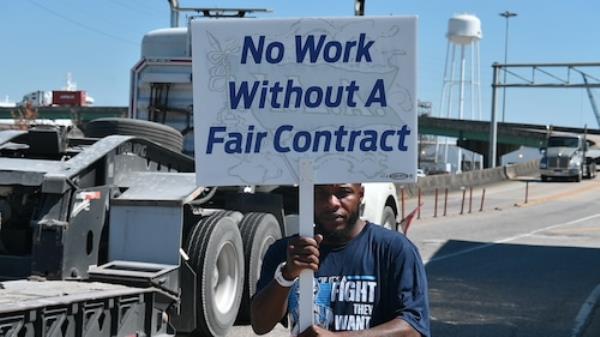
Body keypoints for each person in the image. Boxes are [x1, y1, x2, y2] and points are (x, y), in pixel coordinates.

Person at [251, 183, 430, 337]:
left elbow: (413, 329)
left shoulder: (394, 249)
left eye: (343, 193)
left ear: (361, 194)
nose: (331, 203)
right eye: (321, 193)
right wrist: (286, 276)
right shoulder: (288, 251)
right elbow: (260, 324)